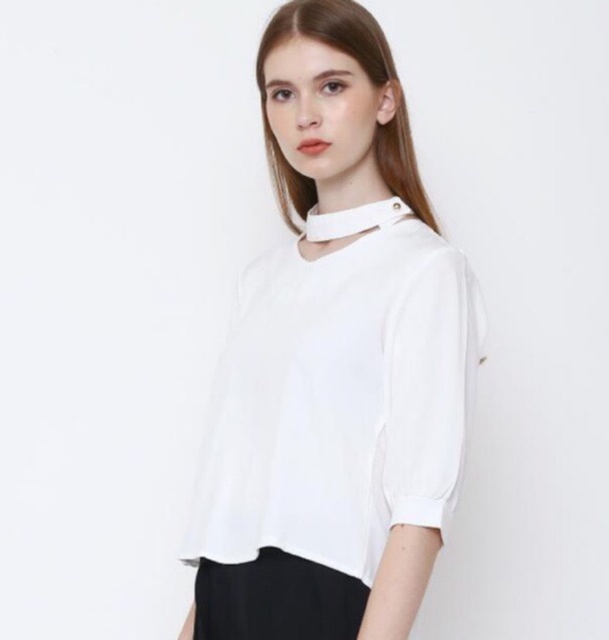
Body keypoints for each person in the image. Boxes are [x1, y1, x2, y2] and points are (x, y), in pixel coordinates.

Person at [176, 0, 488, 638]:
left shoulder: (425, 270)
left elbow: (421, 509)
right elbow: (234, 502)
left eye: (333, 86)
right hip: (222, 597)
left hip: (319, 603)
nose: (305, 116)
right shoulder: (262, 280)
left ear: (385, 100)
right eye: (282, 93)